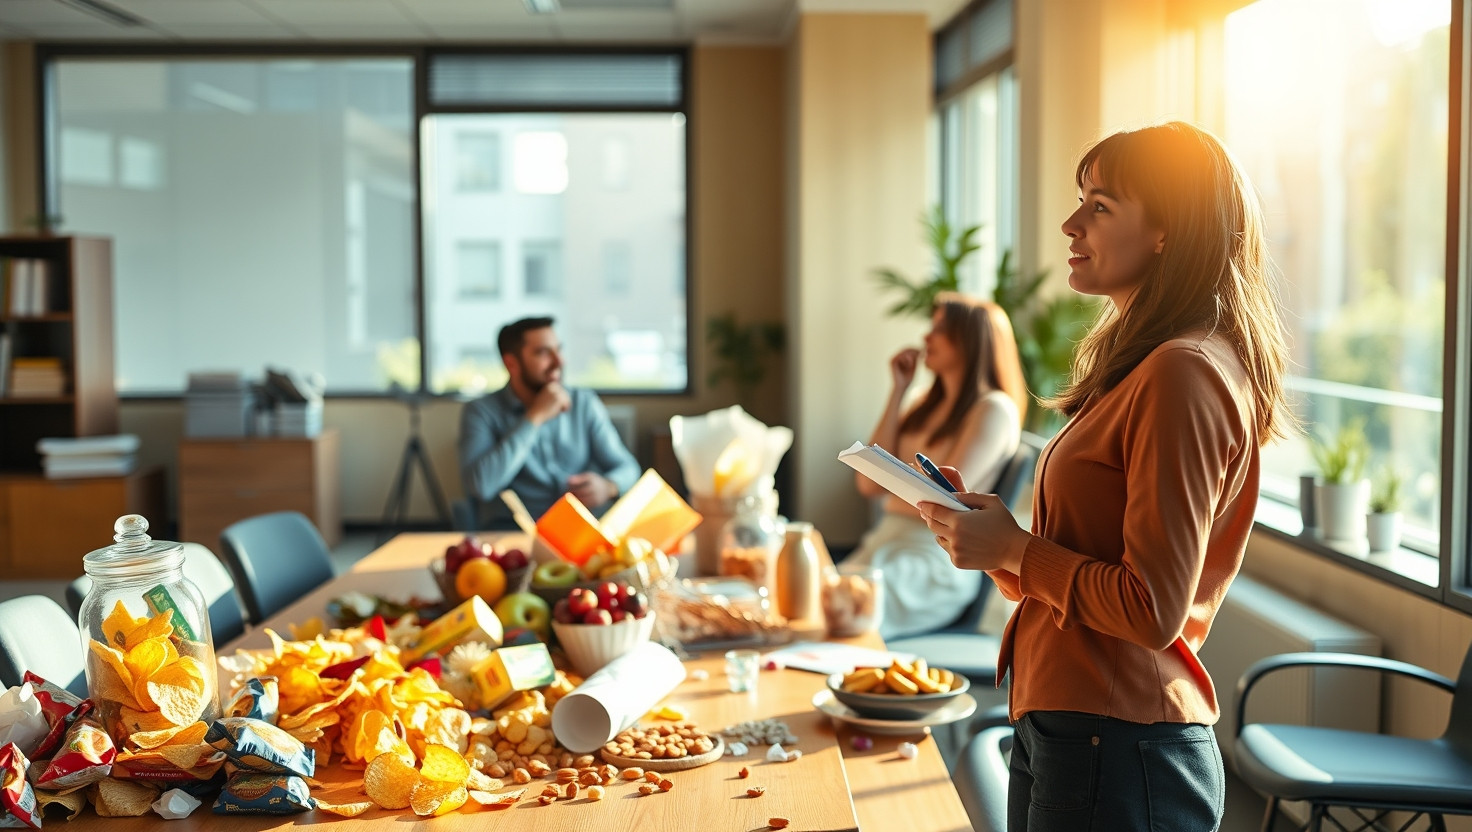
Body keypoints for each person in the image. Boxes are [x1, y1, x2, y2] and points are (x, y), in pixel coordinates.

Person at [920, 121, 1290, 831]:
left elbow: (1150, 609)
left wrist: (1015, 549)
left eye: (1099, 206)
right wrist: (996, 546)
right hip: (1071, 724)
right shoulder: (1146, 367)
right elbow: (1080, 570)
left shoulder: (1182, 372)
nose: (1071, 224)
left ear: (1167, 231)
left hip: (1115, 743)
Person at [847, 292, 1028, 639]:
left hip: (934, 558)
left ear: (971, 340)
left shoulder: (994, 409)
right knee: (817, 604)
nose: (926, 337)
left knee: (843, 613)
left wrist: (892, 490)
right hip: (884, 544)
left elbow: (942, 503)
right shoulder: (922, 402)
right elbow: (868, 485)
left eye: (940, 329)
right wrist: (898, 390)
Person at [459, 316, 641, 528]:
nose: (559, 362)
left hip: (576, 529)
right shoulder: (481, 412)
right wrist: (535, 417)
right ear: (511, 364)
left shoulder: (583, 403)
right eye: (543, 353)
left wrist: (609, 486)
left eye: (559, 350)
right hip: (514, 533)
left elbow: (629, 468)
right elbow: (481, 486)